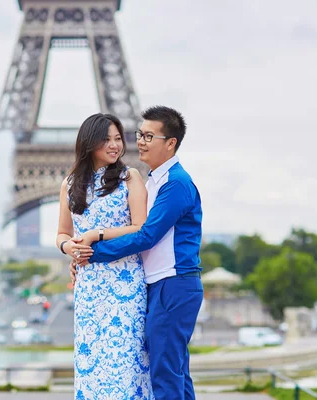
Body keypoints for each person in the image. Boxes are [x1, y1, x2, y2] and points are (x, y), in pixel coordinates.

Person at [70, 106, 203, 400]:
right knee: (174, 370)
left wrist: (91, 251)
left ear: (171, 143)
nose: (140, 141)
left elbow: (146, 235)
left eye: (149, 136)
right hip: (161, 283)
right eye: (140, 134)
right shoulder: (155, 180)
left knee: (166, 373)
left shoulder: (175, 184)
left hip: (174, 282)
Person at [56, 113, 153, 399]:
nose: (115, 146)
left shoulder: (129, 177)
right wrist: (69, 248)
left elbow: (141, 228)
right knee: (91, 364)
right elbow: (61, 234)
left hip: (125, 284)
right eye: (106, 140)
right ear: (89, 143)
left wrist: (97, 234)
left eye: (118, 139)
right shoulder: (69, 184)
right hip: (89, 287)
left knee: (126, 363)